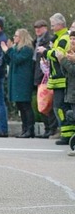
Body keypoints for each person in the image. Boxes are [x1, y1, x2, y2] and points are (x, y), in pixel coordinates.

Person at [40, 13, 73, 145]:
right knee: (59, 107)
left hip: (61, 79)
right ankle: (67, 134)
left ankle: (67, 135)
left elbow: (57, 54)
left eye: (53, 25)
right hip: (57, 79)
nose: (52, 28)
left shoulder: (64, 38)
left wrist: (45, 51)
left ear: (60, 25)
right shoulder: (58, 38)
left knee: (60, 108)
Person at [2, 29, 35, 138]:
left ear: (22, 37)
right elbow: (10, 61)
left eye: (16, 36)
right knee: (20, 106)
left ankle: (30, 129)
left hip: (23, 81)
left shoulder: (27, 49)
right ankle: (24, 129)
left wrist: (9, 50)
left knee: (25, 105)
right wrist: (6, 52)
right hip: (16, 80)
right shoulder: (16, 48)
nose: (14, 37)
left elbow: (17, 59)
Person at [32, 19, 57, 138]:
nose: (37, 29)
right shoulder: (36, 42)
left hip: (46, 76)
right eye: (36, 27)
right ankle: (47, 128)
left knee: (48, 104)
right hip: (39, 77)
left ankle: (51, 129)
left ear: (45, 28)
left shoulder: (48, 41)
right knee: (42, 104)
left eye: (40, 27)